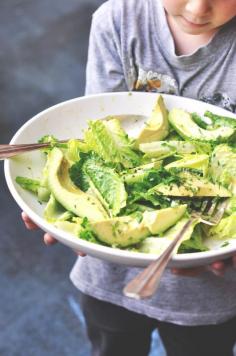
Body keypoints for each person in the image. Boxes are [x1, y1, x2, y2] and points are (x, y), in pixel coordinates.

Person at [22, 0, 236, 355]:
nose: (198, 9)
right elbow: (96, 133)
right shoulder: (118, 21)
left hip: (210, 298)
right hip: (109, 278)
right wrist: (59, 211)